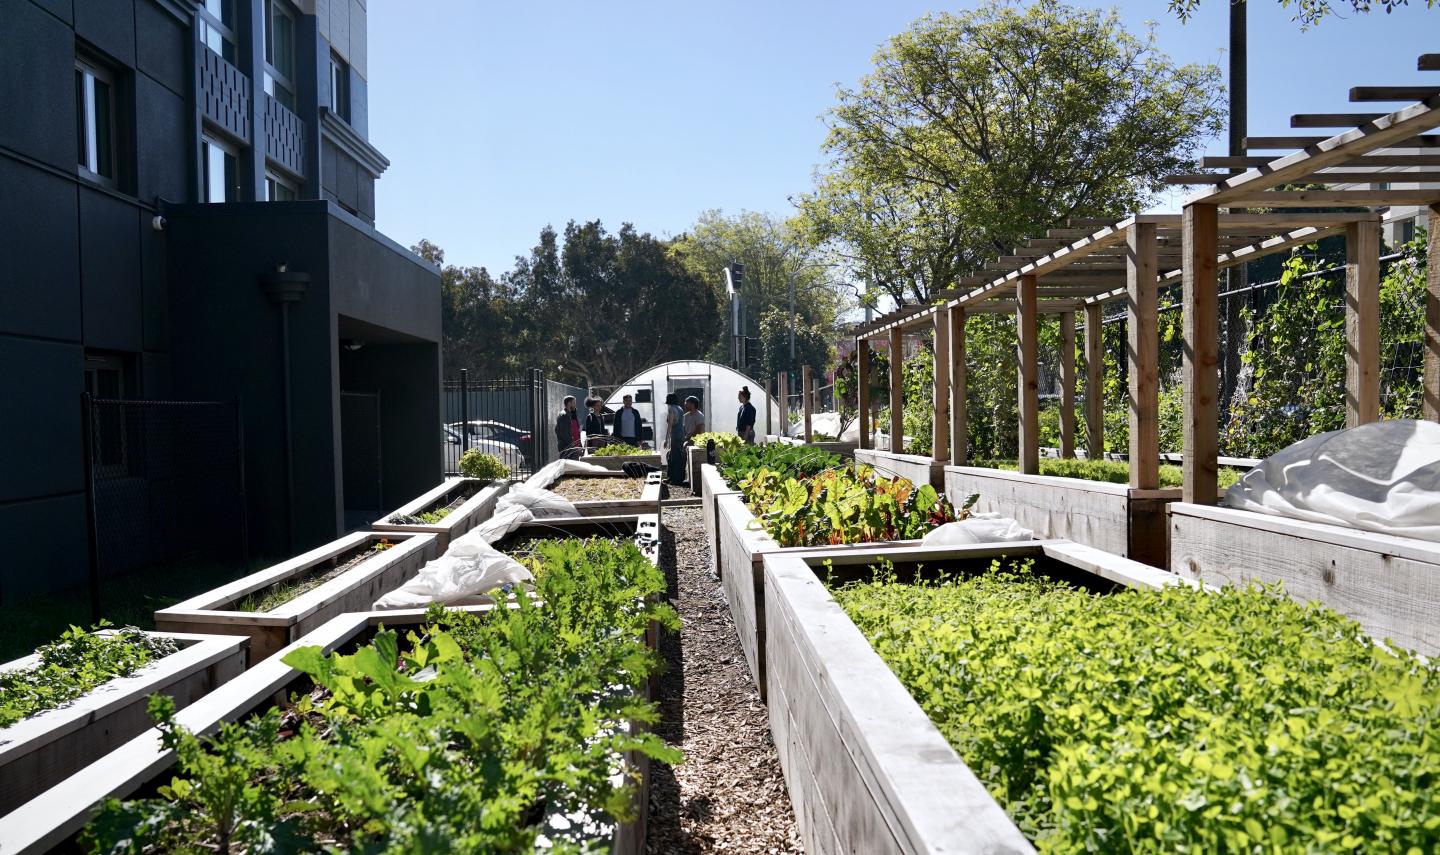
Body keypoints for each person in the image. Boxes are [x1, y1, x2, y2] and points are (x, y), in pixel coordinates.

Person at [664, 393, 686, 485]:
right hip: (681, 434)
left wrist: (666, 439)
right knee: (674, 456)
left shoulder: (671, 409)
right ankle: (673, 477)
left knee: (674, 457)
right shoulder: (680, 408)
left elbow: (670, 425)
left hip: (675, 434)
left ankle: (676, 479)